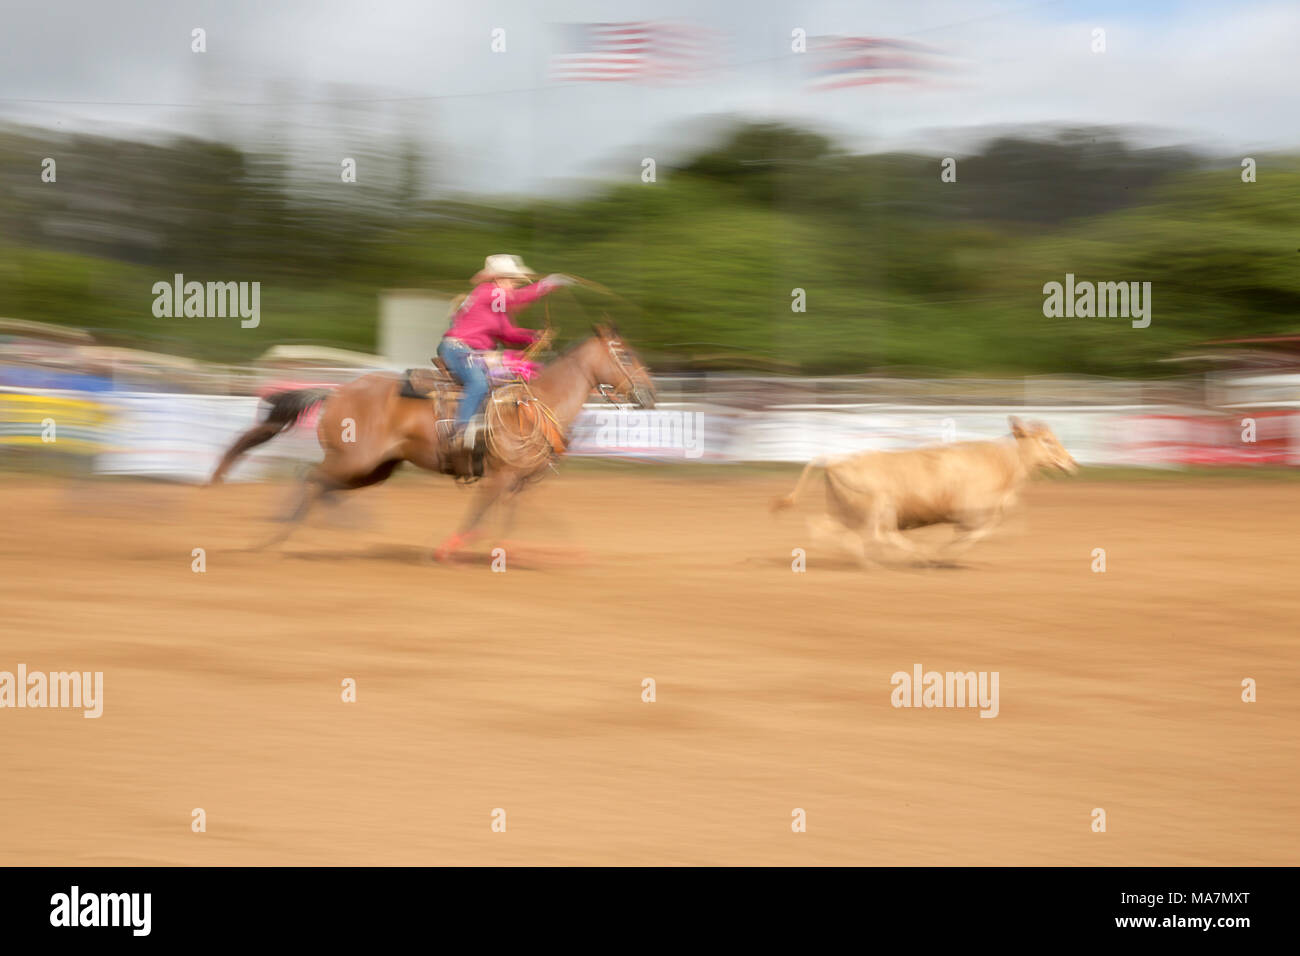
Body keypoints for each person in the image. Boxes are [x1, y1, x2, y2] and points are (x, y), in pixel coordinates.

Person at [437, 255, 572, 450]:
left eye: (516, 282)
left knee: (505, 381)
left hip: (471, 351)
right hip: (458, 348)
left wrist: (535, 336)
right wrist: (546, 285)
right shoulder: (489, 291)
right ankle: (459, 431)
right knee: (479, 383)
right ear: (499, 279)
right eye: (512, 281)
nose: (515, 285)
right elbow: (516, 298)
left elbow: (507, 333)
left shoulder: (496, 305)